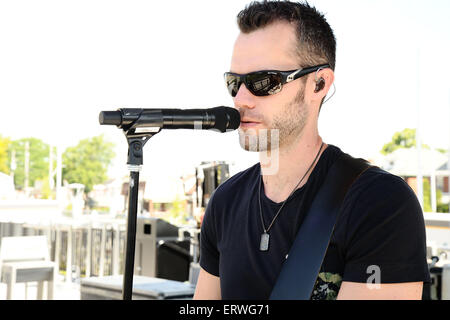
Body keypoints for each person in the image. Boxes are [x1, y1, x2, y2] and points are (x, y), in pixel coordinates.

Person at [193, 0, 430, 300]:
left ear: (318, 84)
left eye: (264, 82)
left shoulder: (379, 204)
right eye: (234, 82)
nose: (241, 99)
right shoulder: (224, 203)